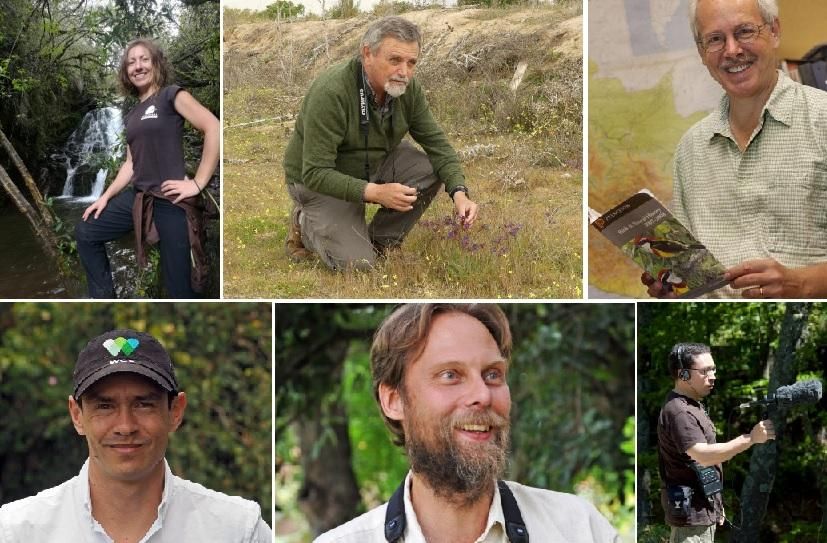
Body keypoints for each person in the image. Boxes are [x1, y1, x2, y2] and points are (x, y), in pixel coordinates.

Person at [315, 304, 619, 543]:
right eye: (450, 375)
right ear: (394, 400)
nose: (482, 395)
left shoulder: (580, 529)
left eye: (492, 374)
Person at [0, 329, 272, 542]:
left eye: (144, 404)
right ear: (77, 415)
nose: (126, 426)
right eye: (105, 406)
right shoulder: (17, 532)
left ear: (175, 411)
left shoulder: (238, 530)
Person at [643, 0, 827, 299]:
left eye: (744, 31)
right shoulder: (690, 148)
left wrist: (801, 284)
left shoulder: (823, 120)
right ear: (702, 51)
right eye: (715, 39)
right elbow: (693, 278)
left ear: (775, 31)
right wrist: (675, 290)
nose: (732, 50)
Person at [283, 17, 479, 271]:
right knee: (359, 266)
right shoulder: (332, 91)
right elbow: (314, 172)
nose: (404, 72)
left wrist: (460, 193)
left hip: (371, 164)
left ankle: (379, 241)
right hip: (318, 181)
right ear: (367, 54)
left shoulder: (408, 89)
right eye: (395, 60)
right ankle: (304, 223)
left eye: (411, 63)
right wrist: (376, 193)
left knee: (431, 168)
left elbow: (438, 145)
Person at [75, 38, 219, 298]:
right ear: (126, 72)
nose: (137, 66)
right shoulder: (132, 115)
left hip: (171, 199)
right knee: (86, 231)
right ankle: (105, 300)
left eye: (144, 59)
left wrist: (197, 182)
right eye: (131, 62)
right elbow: (130, 164)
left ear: (156, 64)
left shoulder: (171, 95)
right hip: (139, 197)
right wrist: (104, 198)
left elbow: (214, 127)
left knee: (180, 289)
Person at [657, 343, 775, 543]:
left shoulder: (694, 405)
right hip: (691, 520)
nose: (713, 376)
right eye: (704, 371)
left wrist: (716, 504)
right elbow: (703, 455)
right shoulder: (679, 412)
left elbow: (699, 465)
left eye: (713, 369)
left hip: (702, 513)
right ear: (683, 375)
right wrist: (751, 438)